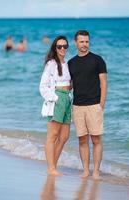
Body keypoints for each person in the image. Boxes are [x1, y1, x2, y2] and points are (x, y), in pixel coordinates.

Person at [68, 30, 107, 180]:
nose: (84, 44)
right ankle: (85, 170)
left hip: (94, 105)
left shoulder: (98, 60)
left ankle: (96, 172)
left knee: (96, 140)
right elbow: (69, 85)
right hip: (77, 106)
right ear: (76, 43)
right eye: (81, 42)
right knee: (82, 140)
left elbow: (104, 83)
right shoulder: (71, 63)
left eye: (87, 42)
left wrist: (101, 104)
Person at [39, 35, 72, 176]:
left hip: (67, 99)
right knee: (52, 136)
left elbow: (69, 83)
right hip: (57, 99)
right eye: (59, 46)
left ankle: (53, 166)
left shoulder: (67, 63)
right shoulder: (51, 63)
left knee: (64, 137)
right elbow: (43, 86)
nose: (62, 48)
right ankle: (51, 168)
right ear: (55, 48)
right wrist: (55, 98)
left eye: (65, 46)